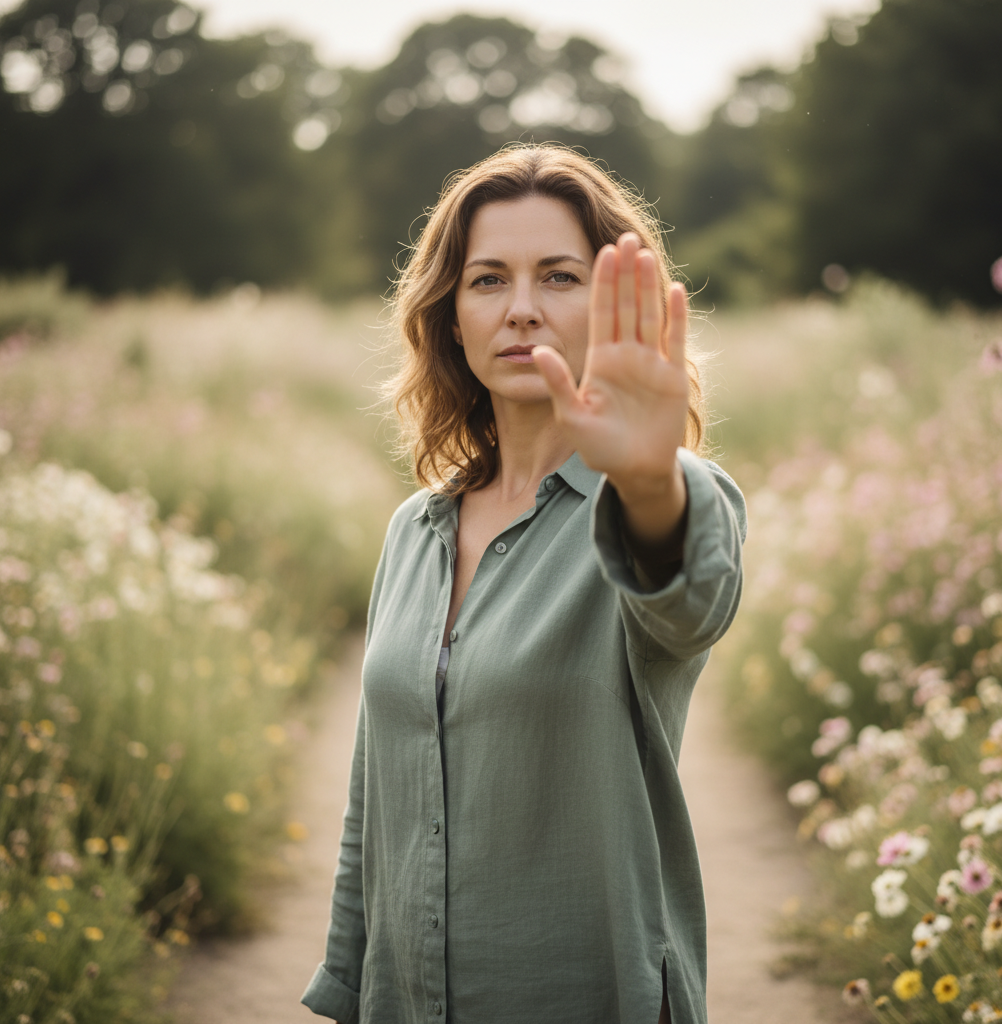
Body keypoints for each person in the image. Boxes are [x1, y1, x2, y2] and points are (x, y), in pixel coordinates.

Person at [302, 145, 745, 1024]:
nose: (522, 309)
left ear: (616, 309)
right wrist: (349, 985)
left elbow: (690, 601)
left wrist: (649, 480)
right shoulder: (415, 530)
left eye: (560, 277)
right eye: (489, 280)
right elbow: (372, 798)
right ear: (451, 317)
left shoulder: (661, 498)